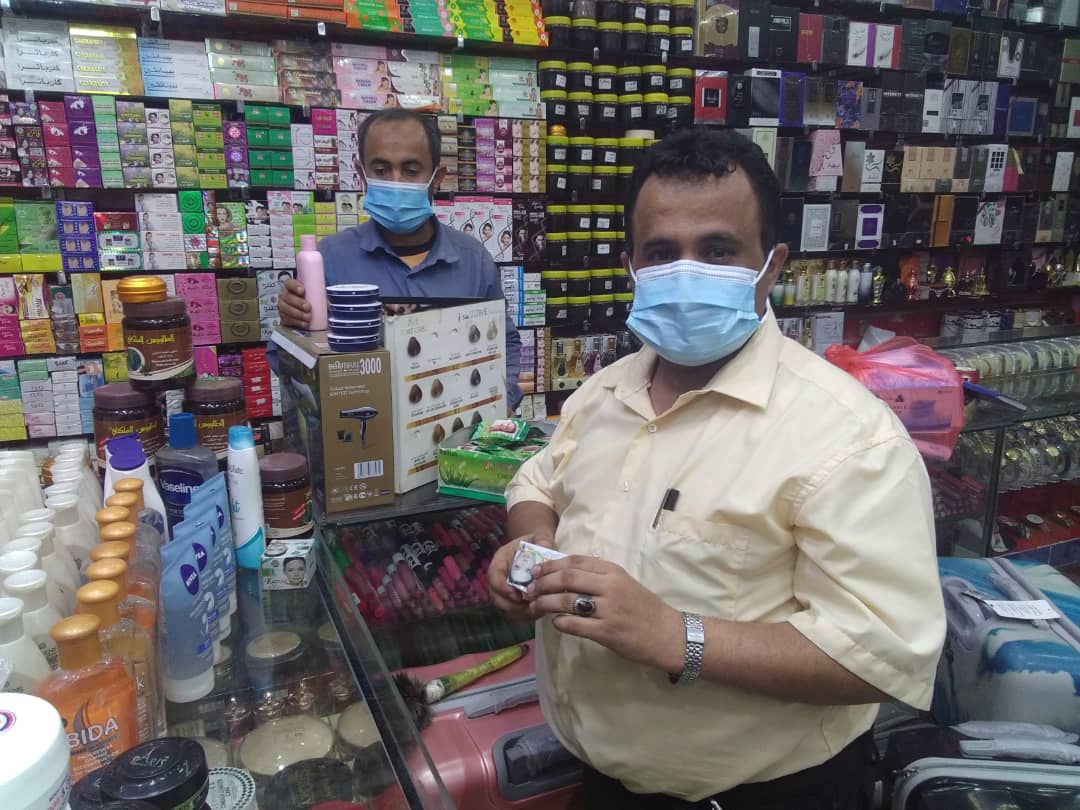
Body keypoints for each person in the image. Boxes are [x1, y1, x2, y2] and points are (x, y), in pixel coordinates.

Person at [488, 128, 945, 809]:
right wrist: (532, 548)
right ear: (631, 267)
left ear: (772, 265)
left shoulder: (848, 437)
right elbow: (538, 481)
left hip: (766, 796)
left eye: (718, 251)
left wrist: (677, 637)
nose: (686, 273)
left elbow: (886, 654)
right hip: (603, 781)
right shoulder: (602, 393)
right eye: (661, 253)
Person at [278, 109, 522, 408]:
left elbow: (505, 343)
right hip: (364, 427)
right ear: (362, 174)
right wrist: (292, 328)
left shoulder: (474, 260)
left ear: (437, 178)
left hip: (455, 428)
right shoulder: (328, 259)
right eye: (381, 170)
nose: (395, 182)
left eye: (411, 170)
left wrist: (502, 401)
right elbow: (290, 370)